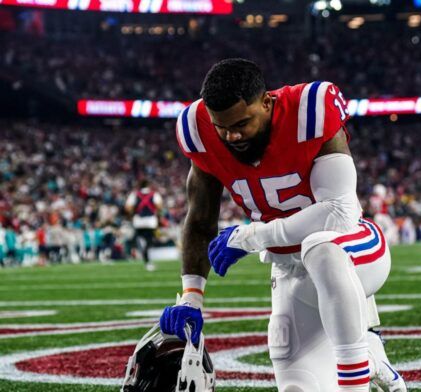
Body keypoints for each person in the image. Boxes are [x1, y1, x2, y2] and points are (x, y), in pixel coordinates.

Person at [159, 59, 405, 392]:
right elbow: (200, 218)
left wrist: (252, 236)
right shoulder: (197, 128)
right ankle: (374, 360)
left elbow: (339, 212)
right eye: (222, 126)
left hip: (353, 252)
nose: (231, 135)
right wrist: (191, 298)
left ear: (267, 103)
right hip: (288, 270)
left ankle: (357, 379)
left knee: (320, 249)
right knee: (297, 388)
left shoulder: (309, 109)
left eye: (243, 123)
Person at [125, 179, 163, 271]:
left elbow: (128, 208)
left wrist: (134, 213)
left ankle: (131, 252)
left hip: (138, 221)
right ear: (148, 185)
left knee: (136, 238)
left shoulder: (134, 194)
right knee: (149, 242)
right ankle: (147, 262)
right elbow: (159, 206)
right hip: (150, 222)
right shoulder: (154, 194)